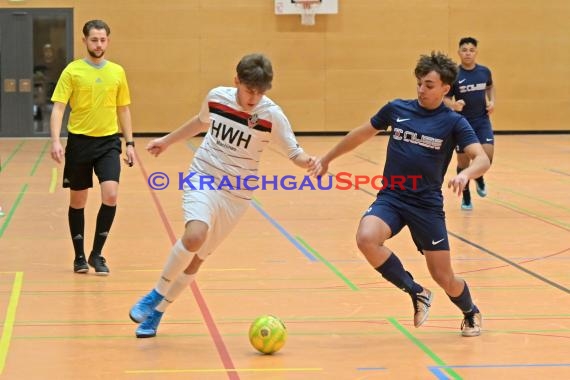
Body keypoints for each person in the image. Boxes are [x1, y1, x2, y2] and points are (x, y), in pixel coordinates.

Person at [129, 53, 318, 338]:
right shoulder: (217, 97)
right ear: (236, 82)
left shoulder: (271, 115)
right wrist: (167, 141)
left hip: (237, 195)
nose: (253, 97)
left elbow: (293, 152)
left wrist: (310, 162)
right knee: (194, 236)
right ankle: (154, 294)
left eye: (259, 92)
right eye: (248, 90)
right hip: (204, 175)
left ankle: (158, 314)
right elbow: (199, 122)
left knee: (197, 259)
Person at [310, 52, 490, 337]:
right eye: (419, 83)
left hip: (427, 205)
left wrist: (466, 174)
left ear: (446, 88)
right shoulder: (397, 109)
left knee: (444, 277)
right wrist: (328, 158)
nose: (421, 90)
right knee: (366, 238)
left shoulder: (453, 122)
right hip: (392, 197)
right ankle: (416, 292)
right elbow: (360, 134)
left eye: (429, 85)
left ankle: (470, 311)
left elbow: (481, 158)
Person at [50, 20, 135, 275]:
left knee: (110, 194)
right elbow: (58, 108)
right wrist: (56, 140)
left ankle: (97, 254)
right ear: (85, 40)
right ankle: (79, 256)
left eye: (103, 40)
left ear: (108, 41)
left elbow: (123, 108)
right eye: (94, 39)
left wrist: (129, 143)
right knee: (79, 200)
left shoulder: (117, 72)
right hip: (79, 142)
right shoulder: (72, 71)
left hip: (109, 142)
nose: (99, 44)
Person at [444, 37, 496, 210]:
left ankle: (479, 177)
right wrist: (454, 105)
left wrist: (491, 101)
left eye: (471, 50)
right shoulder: (454, 75)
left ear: (476, 52)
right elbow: (444, 97)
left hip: (482, 121)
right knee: (463, 163)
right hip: (461, 123)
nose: (468, 53)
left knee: (486, 158)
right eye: (464, 50)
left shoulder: (484, 72)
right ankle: (466, 196)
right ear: (459, 52)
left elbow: (490, 87)